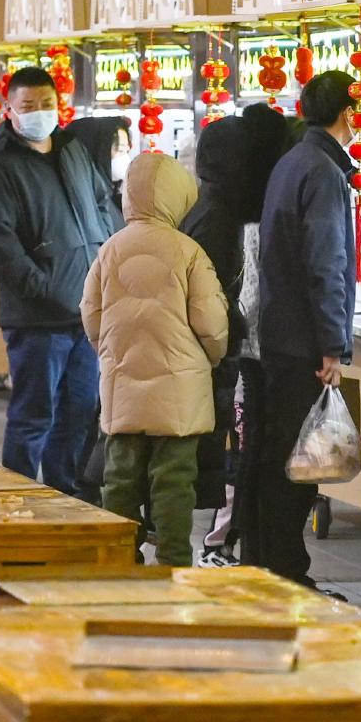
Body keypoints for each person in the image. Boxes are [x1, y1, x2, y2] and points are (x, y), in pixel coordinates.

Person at [0, 66, 118, 495]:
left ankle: (66, 497)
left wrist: (104, 269)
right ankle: (15, 499)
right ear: (9, 109)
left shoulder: (72, 150)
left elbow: (102, 206)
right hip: (36, 317)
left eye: (47, 104)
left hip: (85, 314)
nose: (39, 113)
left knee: (81, 411)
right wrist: (43, 289)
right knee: (34, 415)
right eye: (29, 106)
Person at [82, 151, 228, 567]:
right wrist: (211, 357)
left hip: (123, 384)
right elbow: (210, 322)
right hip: (179, 390)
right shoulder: (189, 251)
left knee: (119, 477)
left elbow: (90, 312)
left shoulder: (110, 249)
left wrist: (110, 351)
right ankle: (174, 560)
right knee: (174, 481)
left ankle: (118, 559)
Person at [248, 73, 358, 586]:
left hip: (280, 332)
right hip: (303, 342)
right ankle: (287, 570)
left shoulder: (293, 161)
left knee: (281, 455)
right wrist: (333, 345)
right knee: (300, 462)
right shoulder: (323, 170)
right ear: (348, 112)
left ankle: (275, 562)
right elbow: (325, 262)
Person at [182, 103, 291, 564]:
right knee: (188, 469)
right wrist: (230, 335)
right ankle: (200, 548)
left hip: (210, 358)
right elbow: (210, 300)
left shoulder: (211, 208)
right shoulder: (221, 219)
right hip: (210, 359)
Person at [64, 114, 135, 213]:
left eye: (127, 151)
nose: (126, 159)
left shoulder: (115, 199)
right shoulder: (81, 206)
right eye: (120, 150)